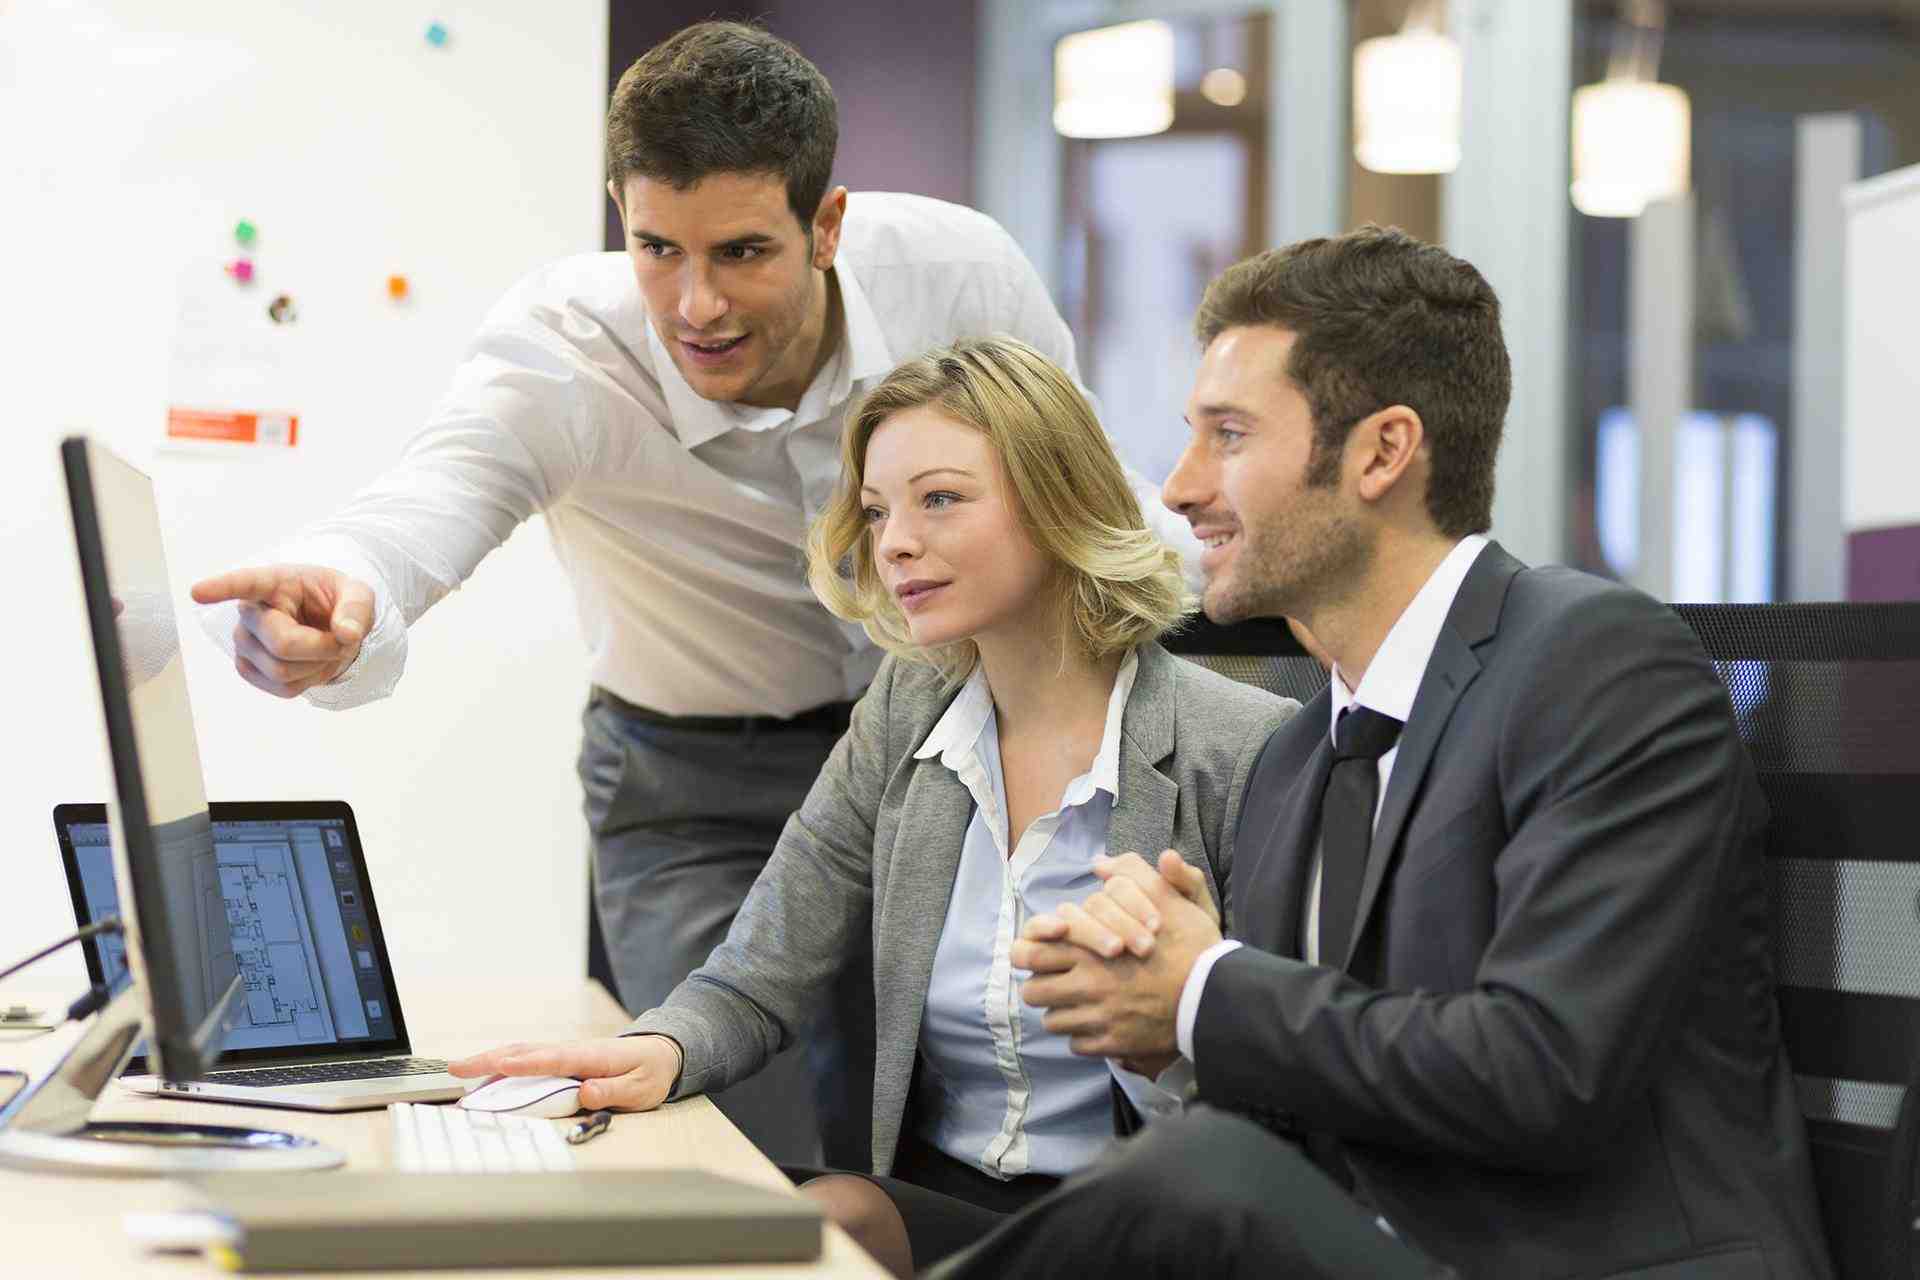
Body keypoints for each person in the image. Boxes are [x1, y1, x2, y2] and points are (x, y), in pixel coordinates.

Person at [185, 22, 1190, 1168]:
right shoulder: (566, 351)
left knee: (914, 1115)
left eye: (744, 252)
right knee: (731, 1127)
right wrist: (346, 589)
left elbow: (1093, 500)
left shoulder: (956, 278)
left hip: (938, 756)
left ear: (828, 225)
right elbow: (426, 504)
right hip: (685, 779)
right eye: (656, 246)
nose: (695, 303)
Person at [929, 228, 1835, 1278]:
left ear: (1381, 451)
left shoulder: (1600, 664)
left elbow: (1548, 1071)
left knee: (1199, 1177)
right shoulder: (1295, 758)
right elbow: (1316, 1101)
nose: (1176, 488)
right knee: (875, 1198)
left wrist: (1208, 988)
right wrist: (1163, 1026)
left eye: (1227, 435)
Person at [446, 337, 1296, 1277]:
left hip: (1146, 1224)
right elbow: (760, 969)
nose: (893, 542)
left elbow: (1282, 1102)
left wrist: (1165, 1029)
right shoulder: (908, 708)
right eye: (879, 508)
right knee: (810, 1222)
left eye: (940, 499)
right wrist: (659, 1049)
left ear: (1059, 498)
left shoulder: (1245, 745)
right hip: (950, 1199)